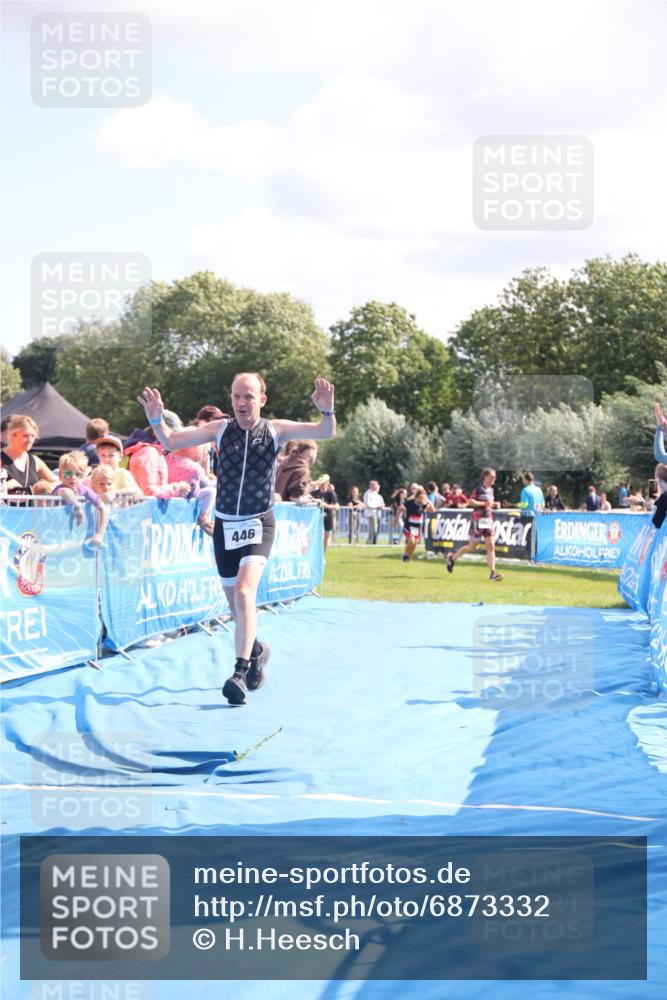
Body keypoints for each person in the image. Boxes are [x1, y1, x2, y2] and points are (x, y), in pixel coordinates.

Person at [138, 374, 336, 706]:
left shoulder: (276, 430)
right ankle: (257, 650)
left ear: (262, 399)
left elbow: (324, 432)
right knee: (235, 604)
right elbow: (171, 441)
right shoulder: (219, 429)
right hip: (225, 525)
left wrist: (327, 411)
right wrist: (156, 419)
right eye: (236, 397)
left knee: (245, 592)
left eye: (248, 396)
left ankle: (239, 673)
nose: (241, 403)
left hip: (259, 522)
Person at [446, 468, 503, 582]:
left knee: (491, 546)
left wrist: (495, 505)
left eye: (495, 476)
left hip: (488, 520)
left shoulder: (491, 490)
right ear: (485, 477)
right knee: (472, 547)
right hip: (478, 519)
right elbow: (470, 501)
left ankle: (492, 573)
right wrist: (484, 503)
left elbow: (489, 504)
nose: (494, 478)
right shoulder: (479, 489)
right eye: (492, 476)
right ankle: (452, 558)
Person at [51, 451, 109, 547]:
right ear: (60, 475)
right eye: (68, 474)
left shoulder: (84, 489)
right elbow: (65, 492)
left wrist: (99, 534)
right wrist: (77, 506)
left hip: (72, 536)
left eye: (78, 475)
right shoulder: (60, 489)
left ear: (83, 476)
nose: (73, 478)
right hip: (53, 532)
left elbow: (104, 509)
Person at [0, 415, 57, 495]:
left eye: (32, 436)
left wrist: (42, 486)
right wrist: (5, 486)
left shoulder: (34, 460)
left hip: (30, 507)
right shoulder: (1, 458)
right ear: (13, 435)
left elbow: (56, 482)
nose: (30, 440)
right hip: (5, 507)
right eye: (25, 436)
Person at [402, 485, 435, 562]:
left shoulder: (423, 505)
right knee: (412, 541)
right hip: (408, 526)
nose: (422, 499)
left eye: (423, 497)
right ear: (418, 496)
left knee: (414, 544)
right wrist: (396, 519)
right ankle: (405, 554)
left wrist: (428, 500)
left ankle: (407, 556)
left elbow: (433, 510)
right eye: (421, 497)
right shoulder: (410, 503)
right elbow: (400, 509)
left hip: (417, 528)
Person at [311, 474, 339, 551]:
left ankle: (323, 553)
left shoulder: (331, 493)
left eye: (324, 482)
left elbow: (337, 507)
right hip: (317, 517)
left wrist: (324, 505)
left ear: (328, 482)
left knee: (326, 536)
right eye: (321, 483)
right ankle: (316, 552)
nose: (322, 484)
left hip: (328, 516)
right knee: (319, 535)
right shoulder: (314, 493)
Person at [362, 480, 384, 544]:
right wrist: (377, 507)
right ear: (371, 486)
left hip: (376, 513)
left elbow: (380, 503)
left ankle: (370, 541)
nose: (376, 487)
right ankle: (371, 541)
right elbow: (368, 504)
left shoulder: (376, 494)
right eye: (375, 485)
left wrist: (380, 506)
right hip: (370, 514)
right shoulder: (367, 494)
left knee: (374, 529)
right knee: (373, 529)